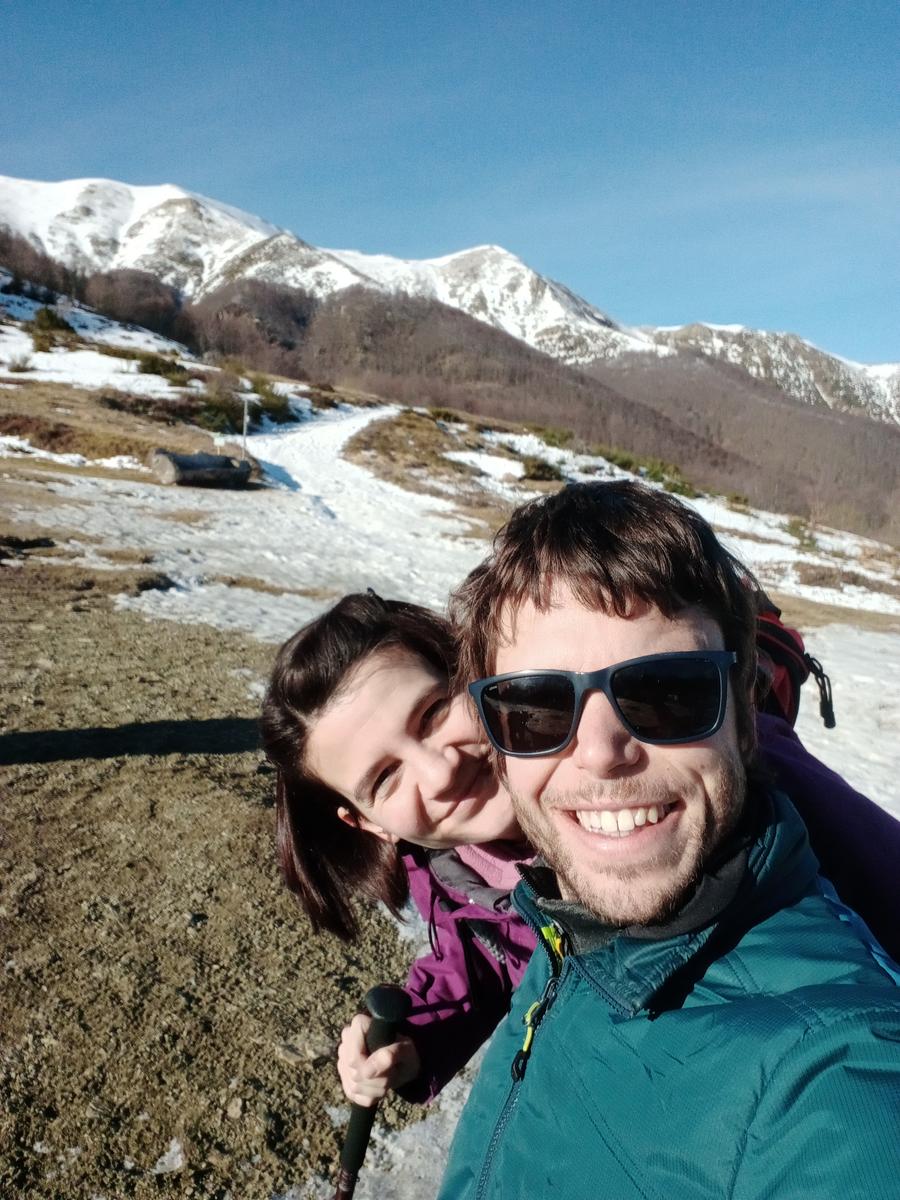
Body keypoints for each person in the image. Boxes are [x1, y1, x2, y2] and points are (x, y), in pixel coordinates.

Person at [261, 586, 900, 1112]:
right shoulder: (453, 871)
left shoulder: (686, 769)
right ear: (369, 823)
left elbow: (879, 872)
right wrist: (416, 1036)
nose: (440, 771)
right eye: (385, 778)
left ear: (476, 675)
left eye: (431, 713)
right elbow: (483, 953)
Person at [437, 480, 900, 1199]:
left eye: (667, 693)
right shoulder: (563, 926)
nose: (600, 753)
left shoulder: (839, 1075)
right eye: (536, 708)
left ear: (744, 721)